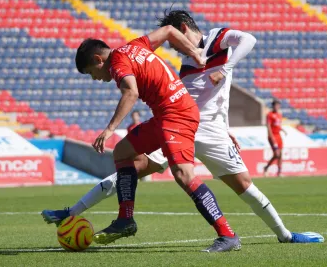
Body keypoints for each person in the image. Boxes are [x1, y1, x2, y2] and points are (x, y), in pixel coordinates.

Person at [42, 10, 324, 248]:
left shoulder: (217, 41)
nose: (176, 50)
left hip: (196, 125)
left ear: (185, 28)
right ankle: (85, 214)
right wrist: (193, 55)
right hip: (177, 118)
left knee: (241, 186)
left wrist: (223, 72)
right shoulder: (179, 60)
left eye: (179, 43)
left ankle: (279, 235)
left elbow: (248, 40)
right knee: (128, 161)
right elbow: (181, 63)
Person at [47, 26, 241, 252]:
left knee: (183, 175)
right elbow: (168, 30)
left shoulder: (118, 64)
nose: (96, 79)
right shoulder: (133, 46)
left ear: (99, 60)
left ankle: (227, 235)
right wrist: (195, 53)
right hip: (167, 114)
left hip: (177, 115)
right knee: (123, 152)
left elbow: (131, 92)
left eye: (92, 73)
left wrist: (110, 128)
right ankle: (125, 220)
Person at [263, 100, 287, 177]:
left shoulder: (279, 115)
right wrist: (272, 137)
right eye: (276, 105)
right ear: (273, 106)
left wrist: (282, 130)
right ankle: (266, 168)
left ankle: (279, 172)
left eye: (278, 105)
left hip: (278, 135)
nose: (277, 107)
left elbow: (277, 125)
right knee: (276, 154)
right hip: (272, 136)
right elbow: (269, 127)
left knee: (280, 154)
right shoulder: (269, 115)